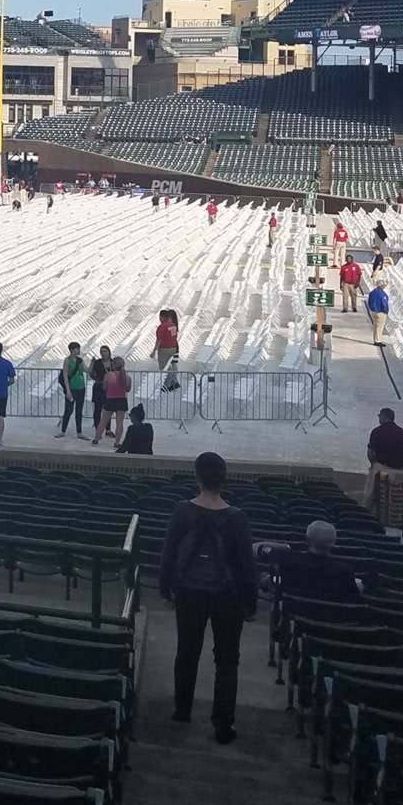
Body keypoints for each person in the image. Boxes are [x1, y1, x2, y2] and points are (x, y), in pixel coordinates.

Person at [158, 451, 257, 743]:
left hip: (189, 590)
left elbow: (169, 553)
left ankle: (182, 710)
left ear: (197, 477)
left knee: (187, 651)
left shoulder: (182, 510)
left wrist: (165, 588)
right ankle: (223, 724)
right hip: (228, 596)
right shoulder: (237, 518)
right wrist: (250, 603)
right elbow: (245, 567)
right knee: (227, 660)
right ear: (223, 479)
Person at [258, 520, 361, 603]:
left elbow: (259, 549)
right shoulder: (344, 571)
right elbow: (353, 594)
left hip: (293, 613)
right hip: (328, 619)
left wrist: (286, 546)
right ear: (333, 543)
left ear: (307, 538)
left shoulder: (288, 558)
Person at [362, 406, 403, 508]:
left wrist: (373, 464)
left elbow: (370, 451)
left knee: (370, 495)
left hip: (381, 468)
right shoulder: (402, 433)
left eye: (380, 416)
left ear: (384, 417)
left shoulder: (377, 431)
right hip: (399, 470)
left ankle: (366, 514)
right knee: (393, 501)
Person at [93, 356, 130, 447]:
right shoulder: (127, 376)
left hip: (110, 399)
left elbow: (104, 388)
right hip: (122, 400)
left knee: (103, 421)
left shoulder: (108, 375)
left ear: (113, 365)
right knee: (119, 423)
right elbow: (128, 389)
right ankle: (116, 442)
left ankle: (96, 439)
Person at [56, 342, 86, 438]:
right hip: (72, 388)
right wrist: (68, 391)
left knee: (79, 410)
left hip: (81, 387)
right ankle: (63, 431)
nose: (79, 350)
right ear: (72, 350)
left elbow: (87, 370)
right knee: (68, 410)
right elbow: (65, 376)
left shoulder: (80, 360)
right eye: (77, 349)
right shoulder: (67, 361)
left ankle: (79, 432)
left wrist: (93, 363)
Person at [154, 309, 181, 392]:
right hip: (174, 346)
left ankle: (169, 383)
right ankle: (174, 381)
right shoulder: (174, 325)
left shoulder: (165, 326)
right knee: (173, 363)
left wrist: (154, 350)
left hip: (168, 347)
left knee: (167, 366)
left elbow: (160, 339)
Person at [89, 348, 110, 434]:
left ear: (109, 352)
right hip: (98, 387)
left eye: (105, 351)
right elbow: (92, 374)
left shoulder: (112, 362)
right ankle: (98, 429)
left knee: (108, 409)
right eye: (101, 352)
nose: (103, 353)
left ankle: (108, 429)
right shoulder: (97, 362)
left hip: (109, 388)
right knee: (97, 409)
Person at [366, 279, 390, 347]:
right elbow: (384, 304)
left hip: (373, 311)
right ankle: (378, 340)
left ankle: (375, 339)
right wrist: (386, 311)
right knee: (380, 327)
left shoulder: (372, 292)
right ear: (382, 286)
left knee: (375, 326)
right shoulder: (383, 294)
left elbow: (369, 301)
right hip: (381, 312)